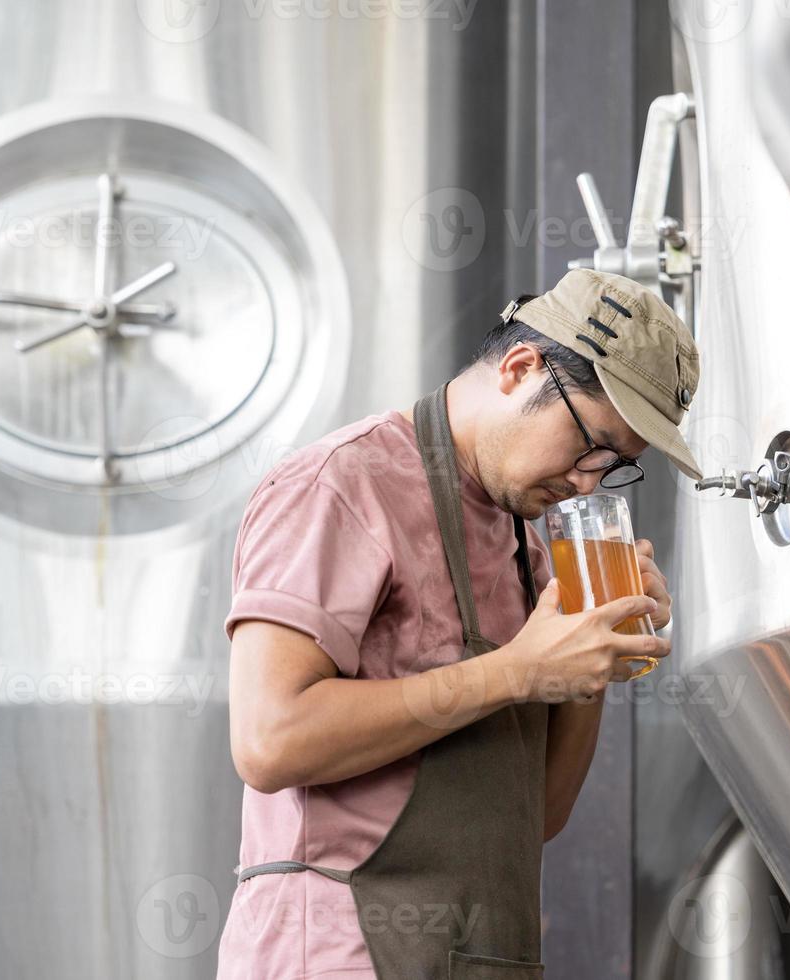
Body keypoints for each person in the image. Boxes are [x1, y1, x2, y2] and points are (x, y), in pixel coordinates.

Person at [216, 268, 704, 978]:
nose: (589, 482)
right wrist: (519, 670)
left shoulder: (531, 550)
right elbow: (269, 739)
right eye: (591, 445)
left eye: (618, 466)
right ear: (519, 368)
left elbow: (537, 815)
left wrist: (593, 654)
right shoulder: (342, 485)